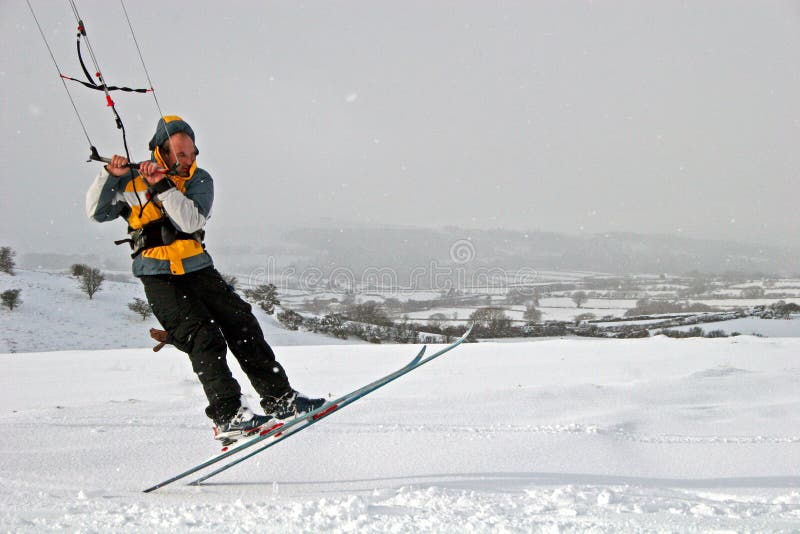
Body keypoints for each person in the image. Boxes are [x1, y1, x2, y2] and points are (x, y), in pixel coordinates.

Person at [86, 115, 324, 444]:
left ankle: (281, 400)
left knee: (242, 323)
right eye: (179, 155)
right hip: (158, 276)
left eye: (191, 153)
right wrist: (107, 175)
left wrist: (162, 185)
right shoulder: (130, 183)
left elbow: (189, 221)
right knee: (204, 336)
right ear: (160, 153)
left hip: (199, 269)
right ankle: (229, 416)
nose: (187, 160)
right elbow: (97, 212)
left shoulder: (201, 181)